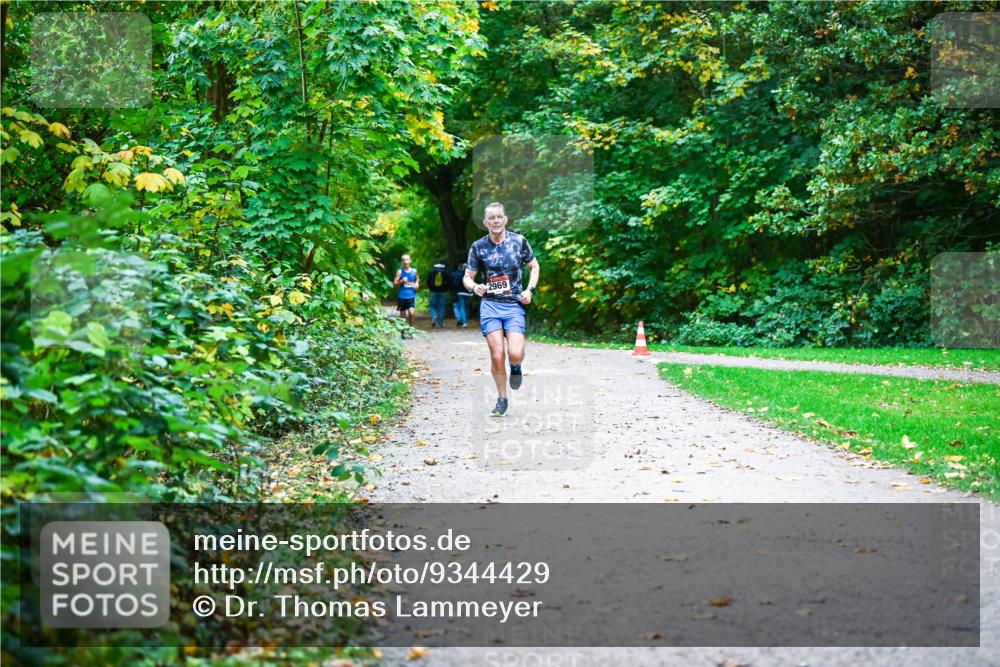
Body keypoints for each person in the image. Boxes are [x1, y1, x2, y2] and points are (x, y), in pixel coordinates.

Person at [464, 202, 540, 417]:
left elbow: (534, 266)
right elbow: (467, 278)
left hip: (514, 305)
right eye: (492, 218)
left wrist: (530, 290)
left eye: (499, 217)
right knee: (497, 355)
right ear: (486, 222)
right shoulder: (478, 247)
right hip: (490, 305)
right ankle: (501, 399)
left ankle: (515, 367)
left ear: (505, 219)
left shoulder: (519, 241)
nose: (496, 221)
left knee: (515, 354)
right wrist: (475, 286)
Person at [393, 254, 418, 337]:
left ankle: (411, 330)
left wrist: (417, 284)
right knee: (403, 316)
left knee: (411, 313)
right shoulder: (400, 272)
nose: (405, 261)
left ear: (410, 261)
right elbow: (395, 283)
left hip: (411, 295)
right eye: (404, 260)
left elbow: (417, 279)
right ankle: (402, 332)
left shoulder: (414, 271)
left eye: (407, 260)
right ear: (402, 262)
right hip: (402, 296)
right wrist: (401, 281)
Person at [426, 261, 450, 328]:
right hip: (442, 292)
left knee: (432, 306)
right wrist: (445, 289)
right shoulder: (445, 272)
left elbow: (428, 281)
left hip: (433, 291)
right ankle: (441, 323)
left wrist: (430, 288)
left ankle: (434, 316)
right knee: (441, 307)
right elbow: (448, 282)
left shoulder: (432, 271)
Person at [450, 262, 472, 328]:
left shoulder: (459, 275)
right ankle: (465, 320)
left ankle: (464, 322)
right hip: (468, 293)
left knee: (462, 308)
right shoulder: (470, 276)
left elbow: (456, 284)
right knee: (467, 307)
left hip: (460, 293)